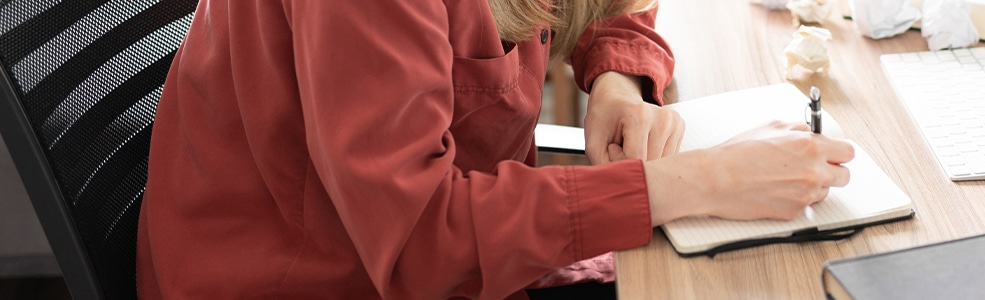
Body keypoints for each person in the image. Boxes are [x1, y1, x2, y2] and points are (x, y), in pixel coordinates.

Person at [136, 0, 854, 298]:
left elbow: (615, 5)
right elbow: (420, 237)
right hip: (312, 277)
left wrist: (618, 78)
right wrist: (699, 183)